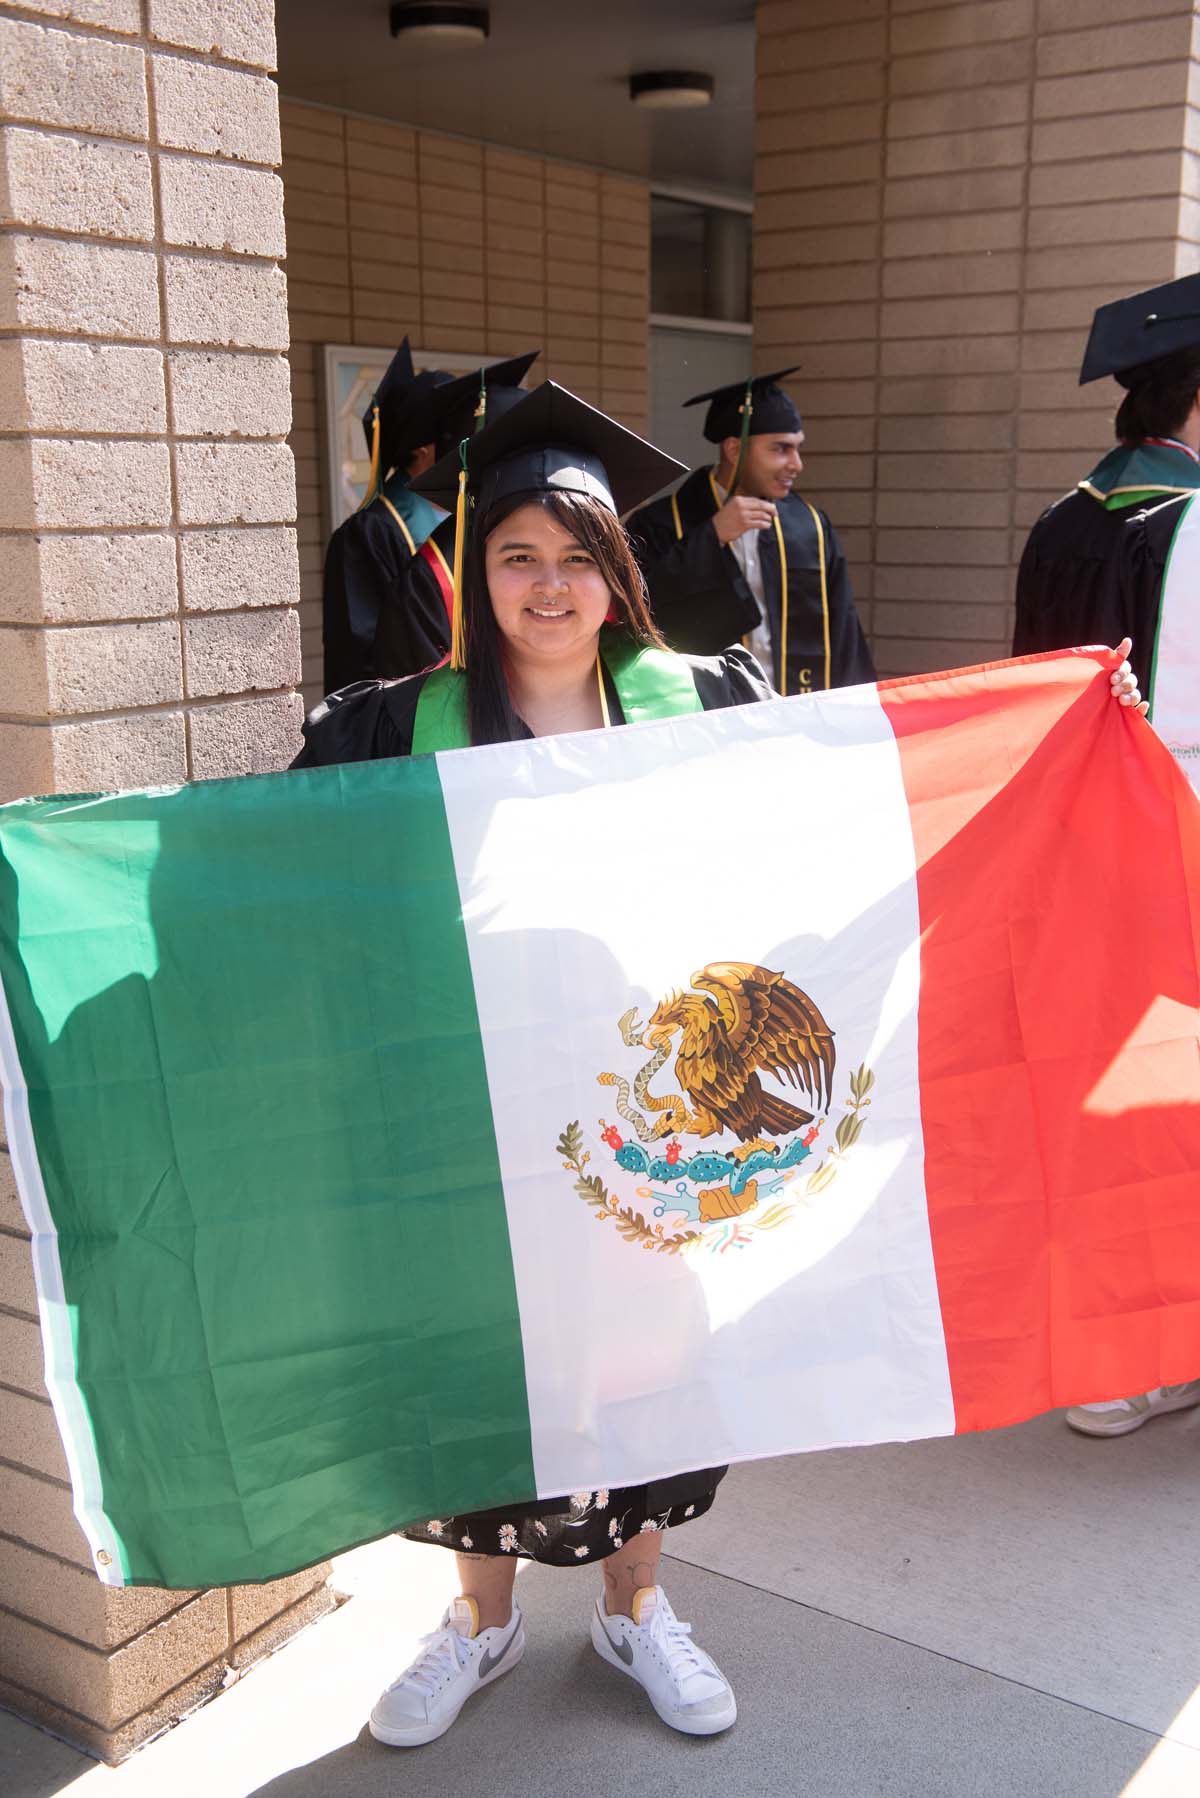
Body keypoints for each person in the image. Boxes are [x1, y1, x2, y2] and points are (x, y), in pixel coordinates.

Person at [293, 382, 1145, 1747]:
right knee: (489, 1371)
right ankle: (481, 1620)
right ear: (478, 573)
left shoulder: (703, 701)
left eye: (579, 556)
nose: (549, 585)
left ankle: (636, 1607)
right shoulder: (392, 728)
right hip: (482, 1122)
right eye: (515, 554)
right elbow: (292, 889)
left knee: (652, 1370)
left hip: (655, 1115)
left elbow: (851, 806)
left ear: (618, 573)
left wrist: (1058, 721)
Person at [1014, 272, 1200, 1440]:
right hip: (1175, 843)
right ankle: (1152, 1352)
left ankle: (1096, 1361)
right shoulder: (1192, 521)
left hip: (1070, 847)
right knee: (1174, 1099)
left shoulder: (1059, 521)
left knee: (1097, 1091)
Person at [627, 368, 874, 696]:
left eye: (797, 449)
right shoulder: (659, 524)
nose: (797, 464)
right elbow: (641, 617)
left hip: (796, 713)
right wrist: (710, 537)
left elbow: (845, 635)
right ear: (733, 449)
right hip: (706, 718)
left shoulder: (810, 527)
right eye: (780, 449)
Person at [322, 346, 538, 690]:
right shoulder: (371, 534)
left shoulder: (471, 517)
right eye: (452, 436)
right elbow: (359, 659)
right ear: (424, 449)